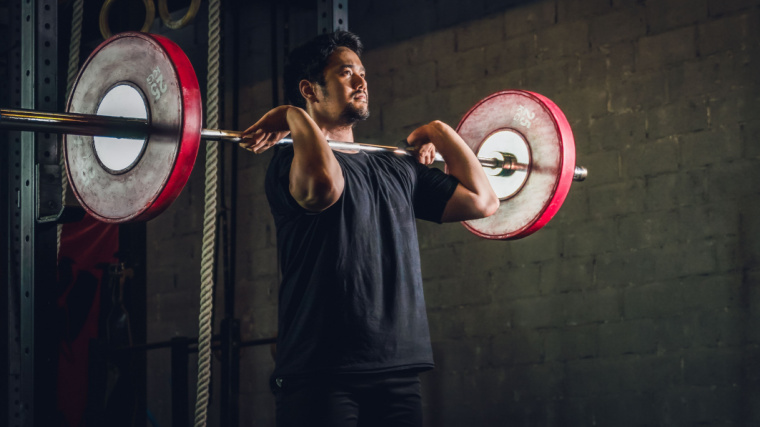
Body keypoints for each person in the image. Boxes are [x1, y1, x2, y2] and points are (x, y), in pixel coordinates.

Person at [239, 31, 499, 427]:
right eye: (347, 74)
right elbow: (325, 188)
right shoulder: (290, 160)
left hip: (398, 370)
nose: (362, 82)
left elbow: (483, 200)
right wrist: (291, 116)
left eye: (362, 73)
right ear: (309, 89)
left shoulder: (395, 166)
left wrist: (439, 132)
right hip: (320, 373)